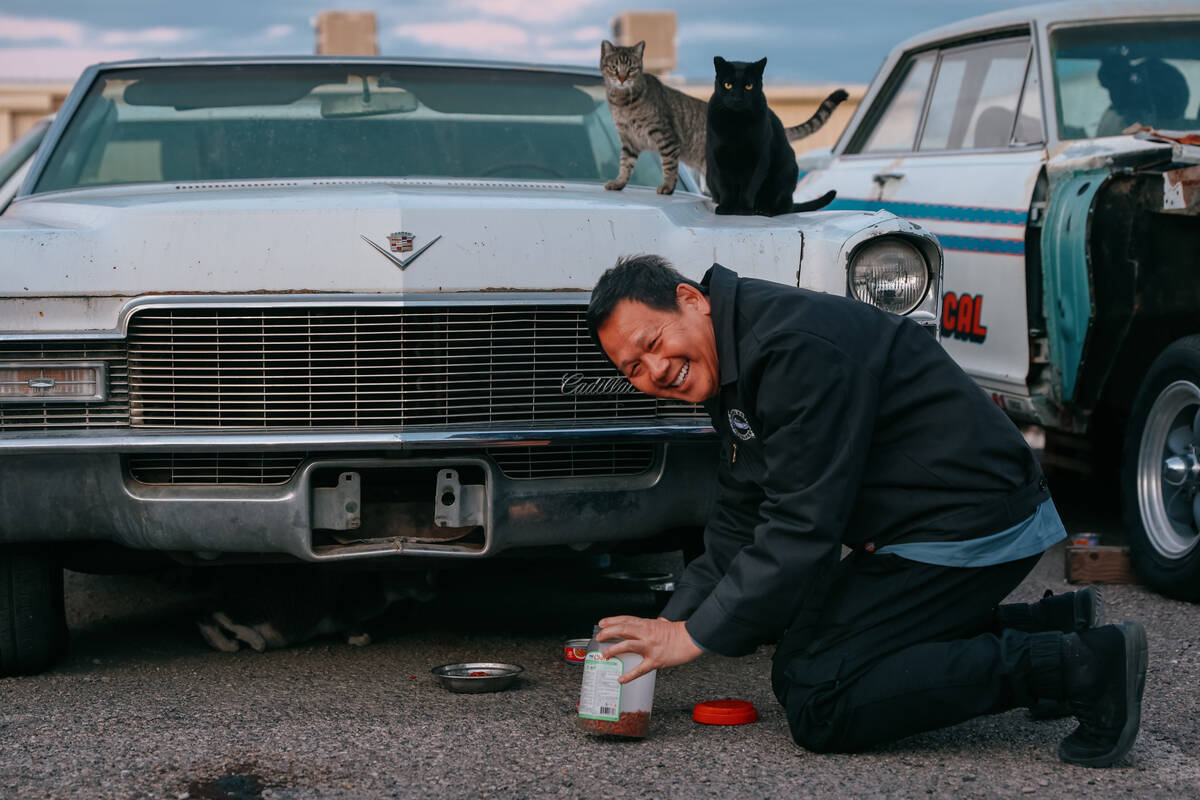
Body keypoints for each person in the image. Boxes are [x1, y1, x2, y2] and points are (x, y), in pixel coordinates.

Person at [585, 254, 1147, 768]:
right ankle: (1046, 623)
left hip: (972, 520)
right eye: (633, 369)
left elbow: (801, 528)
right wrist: (668, 624)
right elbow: (741, 517)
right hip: (923, 521)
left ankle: (1077, 665)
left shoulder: (788, 348)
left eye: (653, 342)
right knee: (804, 657)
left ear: (690, 299)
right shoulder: (733, 356)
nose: (654, 371)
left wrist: (692, 638)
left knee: (821, 696)